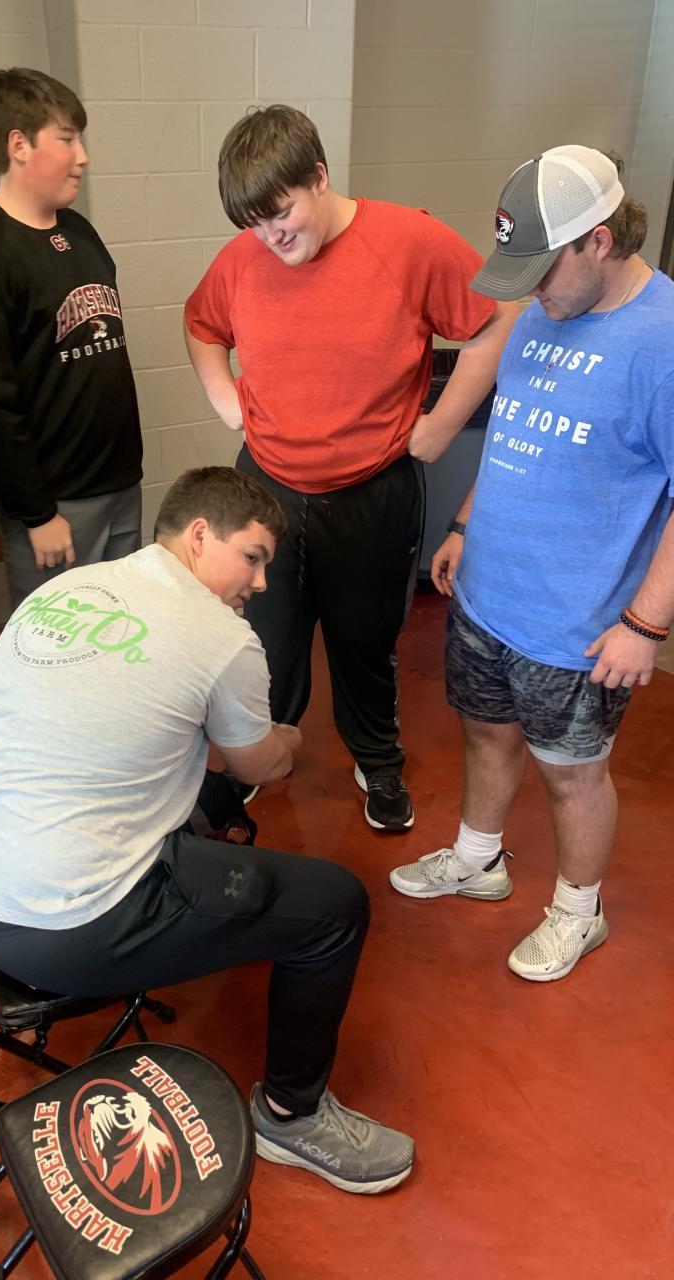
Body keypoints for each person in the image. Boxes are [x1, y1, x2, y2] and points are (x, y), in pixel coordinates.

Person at [0, 466, 415, 1195]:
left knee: (211, 792)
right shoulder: (221, 636)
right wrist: (288, 740)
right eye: (252, 558)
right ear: (200, 535)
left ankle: (208, 914)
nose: (259, 583)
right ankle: (292, 1117)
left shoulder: (71, 588)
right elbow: (263, 764)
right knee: (336, 905)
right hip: (69, 930)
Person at [184, 105, 517, 832]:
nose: (272, 237)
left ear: (319, 176)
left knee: (365, 641)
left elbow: (496, 321)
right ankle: (258, 757)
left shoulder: (409, 240)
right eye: (255, 224)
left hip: (373, 489)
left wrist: (441, 426)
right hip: (267, 488)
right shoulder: (242, 258)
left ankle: (378, 759)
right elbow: (201, 325)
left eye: (282, 214)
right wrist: (226, 400)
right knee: (263, 639)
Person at [389, 146, 674, 982]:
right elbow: (516, 437)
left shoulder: (662, 341)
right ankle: (479, 860)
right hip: (488, 595)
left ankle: (579, 913)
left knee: (571, 775)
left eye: (542, 268)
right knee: (485, 734)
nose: (531, 289)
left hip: (578, 626)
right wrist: (466, 526)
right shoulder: (541, 313)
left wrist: (644, 624)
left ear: (599, 240)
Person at [0, 68, 143, 607]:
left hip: (120, 485)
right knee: (63, 645)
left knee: (123, 631)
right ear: (19, 145)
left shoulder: (80, 232)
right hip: (54, 507)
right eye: (67, 139)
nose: (83, 157)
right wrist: (37, 513)